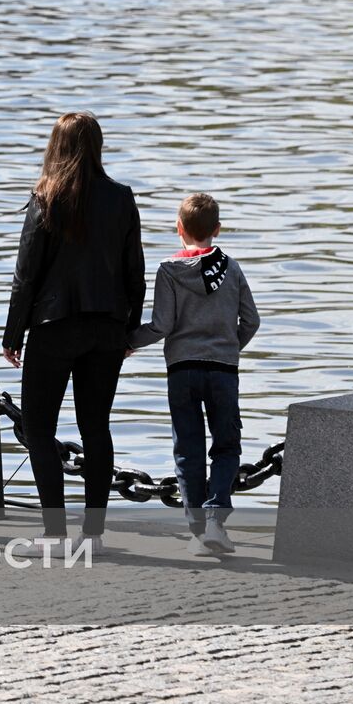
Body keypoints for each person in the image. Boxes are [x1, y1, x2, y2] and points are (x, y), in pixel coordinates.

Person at [2, 111, 145, 557]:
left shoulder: (46, 197)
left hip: (53, 327)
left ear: (55, 147)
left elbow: (26, 274)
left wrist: (13, 333)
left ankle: (54, 536)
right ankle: (95, 536)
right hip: (105, 329)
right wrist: (129, 329)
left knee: (40, 429)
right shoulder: (121, 198)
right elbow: (135, 272)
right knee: (96, 428)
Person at [128, 193, 259, 556]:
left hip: (181, 371)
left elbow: (161, 325)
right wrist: (229, 348)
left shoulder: (168, 270)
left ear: (178, 228)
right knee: (227, 445)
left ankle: (198, 532)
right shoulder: (231, 268)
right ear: (217, 229)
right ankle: (217, 520)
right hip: (222, 371)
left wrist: (129, 343)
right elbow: (252, 320)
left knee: (188, 449)